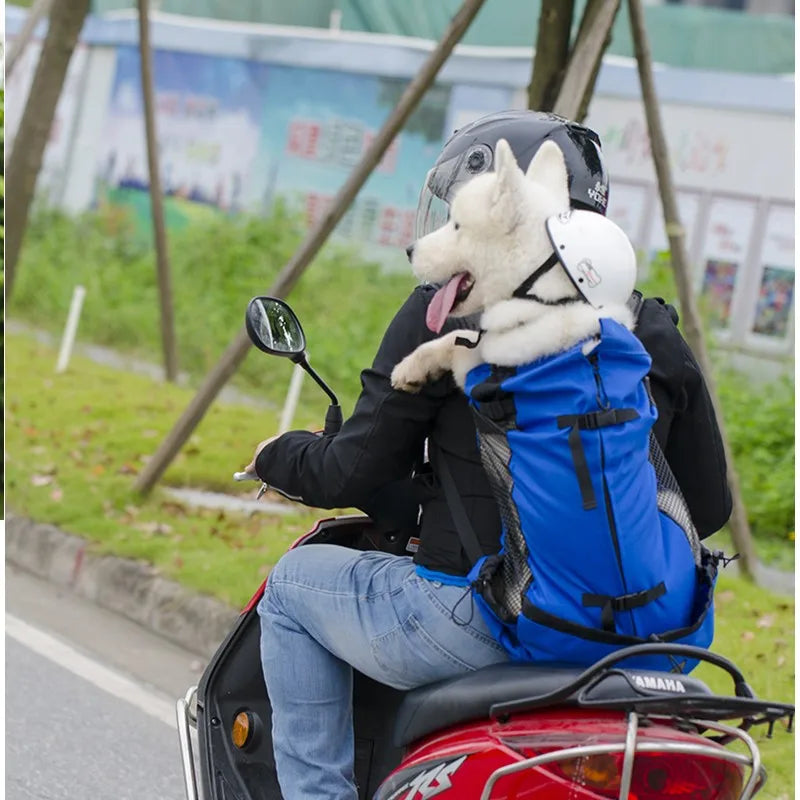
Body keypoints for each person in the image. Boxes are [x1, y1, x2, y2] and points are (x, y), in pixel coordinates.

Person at [243, 110, 732, 799]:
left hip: (494, 620)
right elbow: (707, 507)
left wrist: (278, 457)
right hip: (650, 640)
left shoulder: (447, 318)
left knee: (293, 589)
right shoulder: (645, 328)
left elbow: (348, 470)